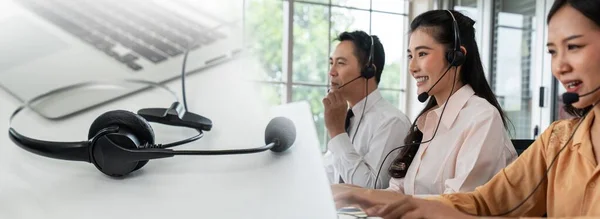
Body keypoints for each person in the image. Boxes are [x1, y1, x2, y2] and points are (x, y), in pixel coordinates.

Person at [333, 0, 600, 218]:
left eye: (573, 46)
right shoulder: (557, 141)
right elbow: (484, 203)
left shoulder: (481, 117)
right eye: (552, 52)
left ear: (456, 56)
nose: (559, 66)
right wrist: (358, 195)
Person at [332, 9, 517, 198]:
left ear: (456, 56)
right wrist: (349, 193)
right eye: (410, 56)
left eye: (422, 54)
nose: (412, 68)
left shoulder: (481, 118)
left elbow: (457, 204)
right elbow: (398, 192)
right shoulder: (427, 122)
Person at [323, 30, 411, 189]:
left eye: (341, 63)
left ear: (368, 70)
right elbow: (329, 175)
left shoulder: (391, 122)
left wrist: (337, 132)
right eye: (331, 63)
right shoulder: (347, 117)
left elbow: (372, 188)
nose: (332, 72)